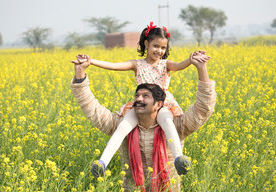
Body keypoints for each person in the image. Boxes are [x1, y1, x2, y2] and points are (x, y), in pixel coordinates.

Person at [70, 50, 216, 192]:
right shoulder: (121, 124)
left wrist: (201, 68)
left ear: (159, 104)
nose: (138, 99)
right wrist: (80, 74)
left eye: (145, 96)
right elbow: (92, 109)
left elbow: (203, 108)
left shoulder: (177, 126)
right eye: (137, 96)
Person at [79, 22, 211, 176]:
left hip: (162, 105)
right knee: (123, 126)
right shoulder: (137, 65)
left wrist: (193, 58)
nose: (159, 51)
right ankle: (102, 163)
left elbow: (182, 65)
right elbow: (114, 66)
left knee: (168, 123)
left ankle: (179, 159)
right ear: (146, 44)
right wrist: (91, 62)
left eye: (163, 48)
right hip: (141, 104)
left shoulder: (166, 64)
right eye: (156, 46)